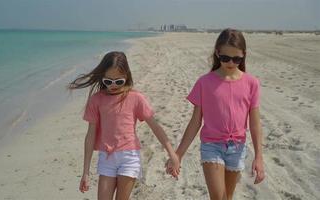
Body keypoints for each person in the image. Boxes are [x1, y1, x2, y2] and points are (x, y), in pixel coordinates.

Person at [166, 28, 265, 200]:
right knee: (218, 197)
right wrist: (178, 154)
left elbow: (255, 123)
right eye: (225, 57)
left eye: (236, 59)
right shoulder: (204, 82)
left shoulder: (252, 83)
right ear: (217, 53)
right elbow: (195, 122)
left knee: (227, 197)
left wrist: (259, 157)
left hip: (237, 147)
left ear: (244, 55)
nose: (231, 63)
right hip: (211, 146)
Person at [69, 51, 179, 200]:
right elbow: (90, 135)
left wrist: (173, 154)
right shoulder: (97, 100)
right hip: (106, 158)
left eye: (118, 81)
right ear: (102, 78)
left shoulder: (136, 98)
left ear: (126, 76)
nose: (113, 85)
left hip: (129, 157)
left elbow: (155, 127)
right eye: (108, 81)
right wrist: (85, 172)